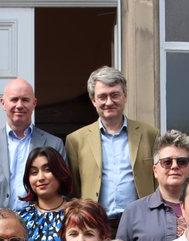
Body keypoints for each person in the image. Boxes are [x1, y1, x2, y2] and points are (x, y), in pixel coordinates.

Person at [64, 66, 158, 228]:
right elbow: (73, 188)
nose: (109, 102)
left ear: (125, 96)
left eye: (115, 95)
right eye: (102, 97)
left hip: (140, 221)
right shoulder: (75, 140)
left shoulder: (149, 134)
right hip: (95, 223)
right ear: (93, 100)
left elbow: (158, 180)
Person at [0, 78, 65, 217]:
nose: (19, 105)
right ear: (3, 103)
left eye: (25, 100)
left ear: (34, 103)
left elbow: (61, 186)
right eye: (14, 99)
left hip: (42, 226)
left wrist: (37, 218)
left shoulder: (54, 144)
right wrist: (2, 219)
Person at [116, 131, 189, 241]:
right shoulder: (134, 212)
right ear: (155, 170)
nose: (174, 166)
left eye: (182, 161)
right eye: (167, 162)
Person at [18, 146, 73, 241]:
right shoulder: (19, 218)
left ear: (60, 172)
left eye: (47, 170)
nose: (40, 177)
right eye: (34, 172)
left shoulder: (75, 214)